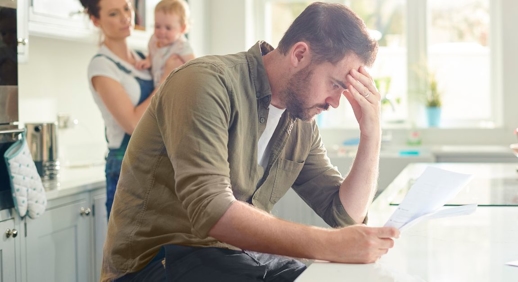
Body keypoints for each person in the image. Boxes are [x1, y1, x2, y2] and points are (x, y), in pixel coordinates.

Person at [102, 2, 400, 281]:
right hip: (154, 265)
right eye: (336, 84)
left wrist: (371, 132)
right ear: (299, 55)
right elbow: (211, 208)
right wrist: (329, 244)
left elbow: (345, 215)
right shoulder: (204, 83)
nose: (336, 102)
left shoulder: (300, 124)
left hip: (233, 258)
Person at [80, 0, 177, 218]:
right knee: (132, 246)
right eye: (114, 13)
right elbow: (133, 124)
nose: (125, 17)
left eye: (126, 8)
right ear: (96, 21)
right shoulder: (101, 65)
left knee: (161, 247)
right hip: (127, 165)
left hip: (160, 163)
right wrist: (165, 80)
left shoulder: (145, 58)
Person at [135, 0, 195, 88]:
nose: (161, 31)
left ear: (182, 28)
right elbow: (151, 54)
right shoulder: (154, 40)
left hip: (176, 88)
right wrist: (148, 61)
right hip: (158, 86)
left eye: (168, 28)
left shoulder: (182, 46)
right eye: (157, 26)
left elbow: (194, 65)